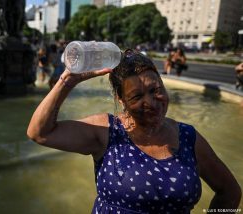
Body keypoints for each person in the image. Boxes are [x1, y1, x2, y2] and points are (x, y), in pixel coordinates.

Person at [27, 49, 241, 213]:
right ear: (121, 101)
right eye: (137, 97)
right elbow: (40, 132)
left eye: (155, 90)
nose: (151, 102)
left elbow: (230, 192)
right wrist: (68, 80)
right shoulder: (107, 131)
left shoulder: (187, 137)